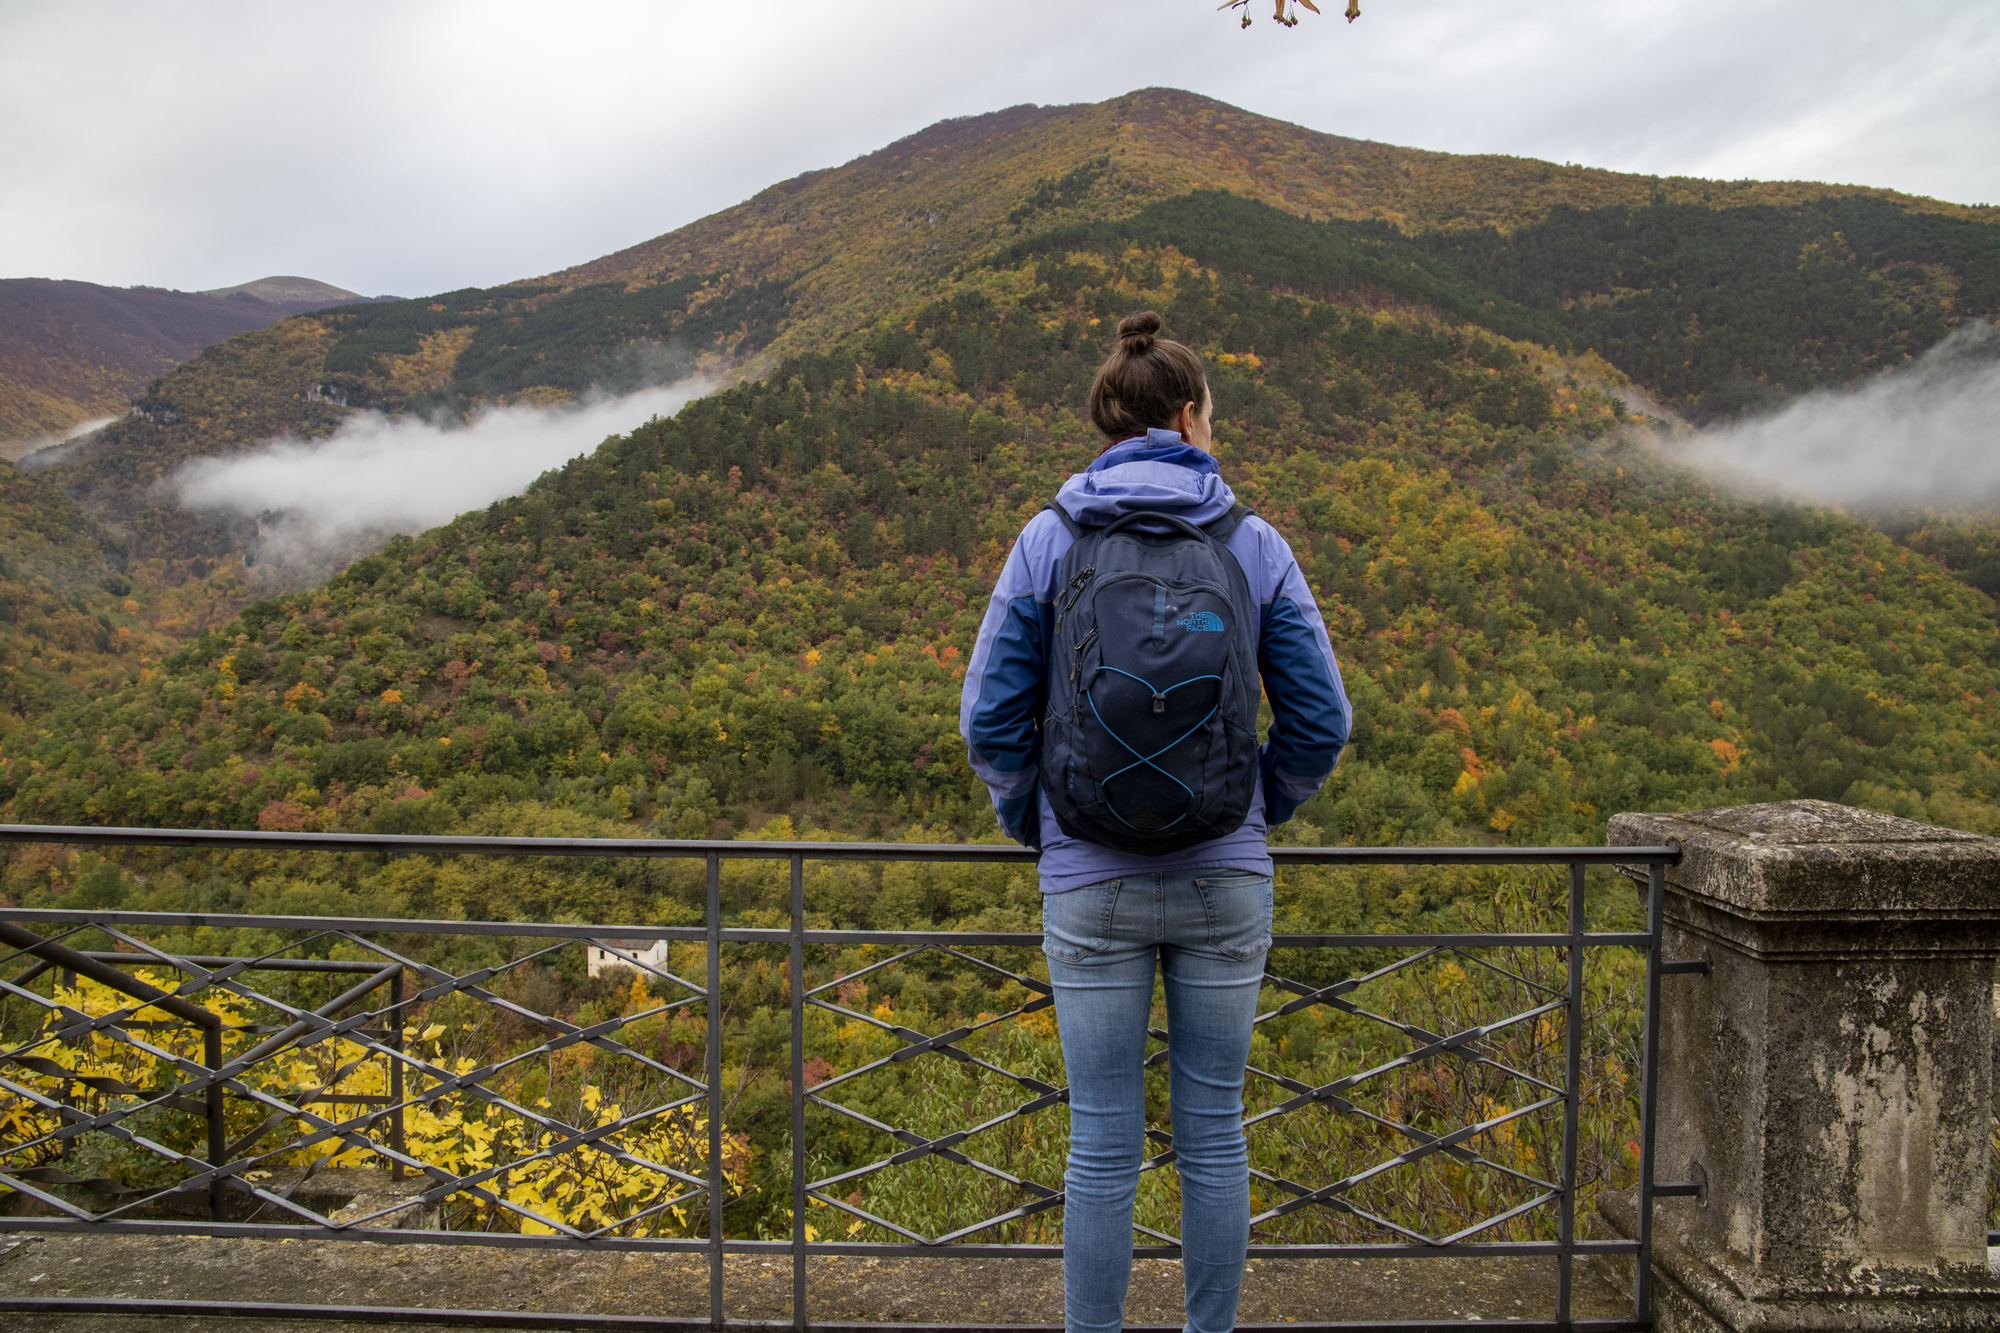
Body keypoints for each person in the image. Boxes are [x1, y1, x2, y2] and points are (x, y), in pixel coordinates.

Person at [959, 310, 1351, 1333]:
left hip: (1085, 875)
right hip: (1227, 871)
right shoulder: (1252, 542)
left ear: (1108, 425)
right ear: (1187, 417)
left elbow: (986, 717)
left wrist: (1032, 820)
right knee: (1213, 1133)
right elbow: (1322, 718)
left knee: (1100, 1141)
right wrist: (1260, 803)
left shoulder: (1049, 540)